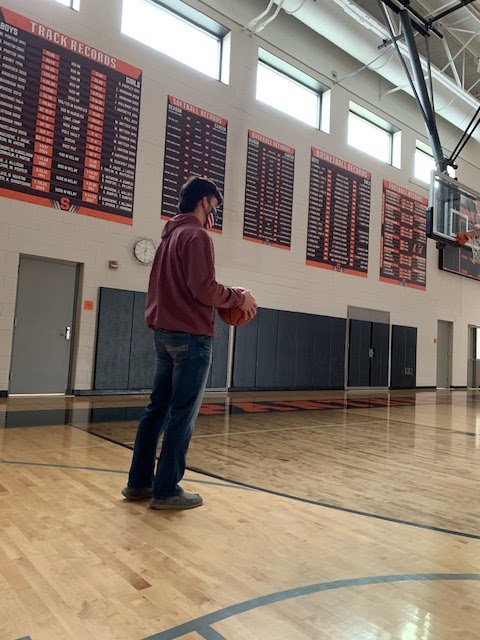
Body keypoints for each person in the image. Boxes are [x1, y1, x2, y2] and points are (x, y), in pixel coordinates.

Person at [122, 176, 257, 510]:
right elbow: (203, 288)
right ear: (205, 202)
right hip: (192, 338)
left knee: (155, 411)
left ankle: (138, 483)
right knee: (182, 416)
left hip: (164, 335)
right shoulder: (196, 236)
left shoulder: (168, 237)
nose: (214, 213)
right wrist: (238, 297)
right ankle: (167, 490)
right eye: (214, 206)